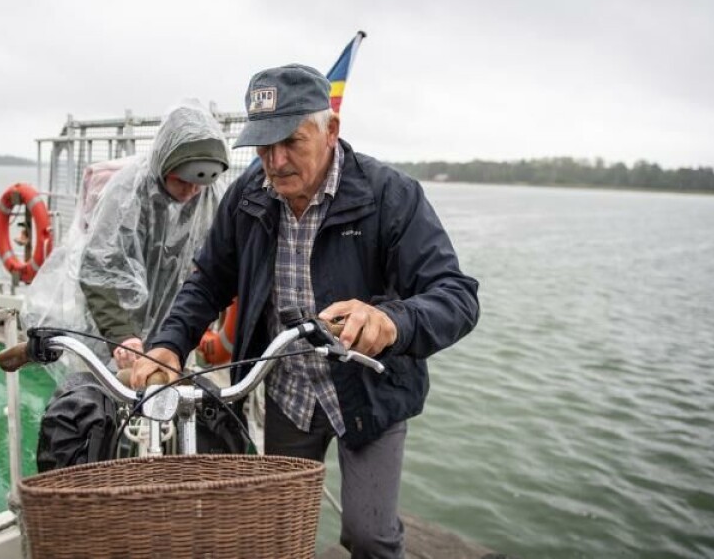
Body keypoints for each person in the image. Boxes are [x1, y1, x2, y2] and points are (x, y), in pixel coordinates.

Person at [131, 64, 480, 557]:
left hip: (370, 390)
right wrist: (169, 343)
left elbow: (457, 295)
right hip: (288, 392)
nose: (275, 161)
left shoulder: (391, 195)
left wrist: (390, 322)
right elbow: (209, 279)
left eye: (291, 141)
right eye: (263, 146)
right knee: (275, 531)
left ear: (331, 130)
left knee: (370, 536)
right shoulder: (248, 195)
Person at [78, 99, 230, 368]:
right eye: (182, 181)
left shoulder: (212, 197)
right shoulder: (127, 193)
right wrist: (121, 334)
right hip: (116, 337)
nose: (191, 192)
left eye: (199, 184)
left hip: (177, 332)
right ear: (164, 164)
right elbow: (98, 268)